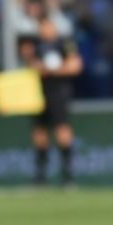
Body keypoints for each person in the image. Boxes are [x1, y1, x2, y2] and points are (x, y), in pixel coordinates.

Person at [21, 16, 82, 186]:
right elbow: (30, 65)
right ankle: (40, 176)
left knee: (62, 130)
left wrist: (53, 70)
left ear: (53, 27)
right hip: (39, 93)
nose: (43, 30)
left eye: (46, 26)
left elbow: (75, 66)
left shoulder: (64, 43)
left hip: (58, 92)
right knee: (39, 132)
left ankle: (68, 175)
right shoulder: (36, 45)